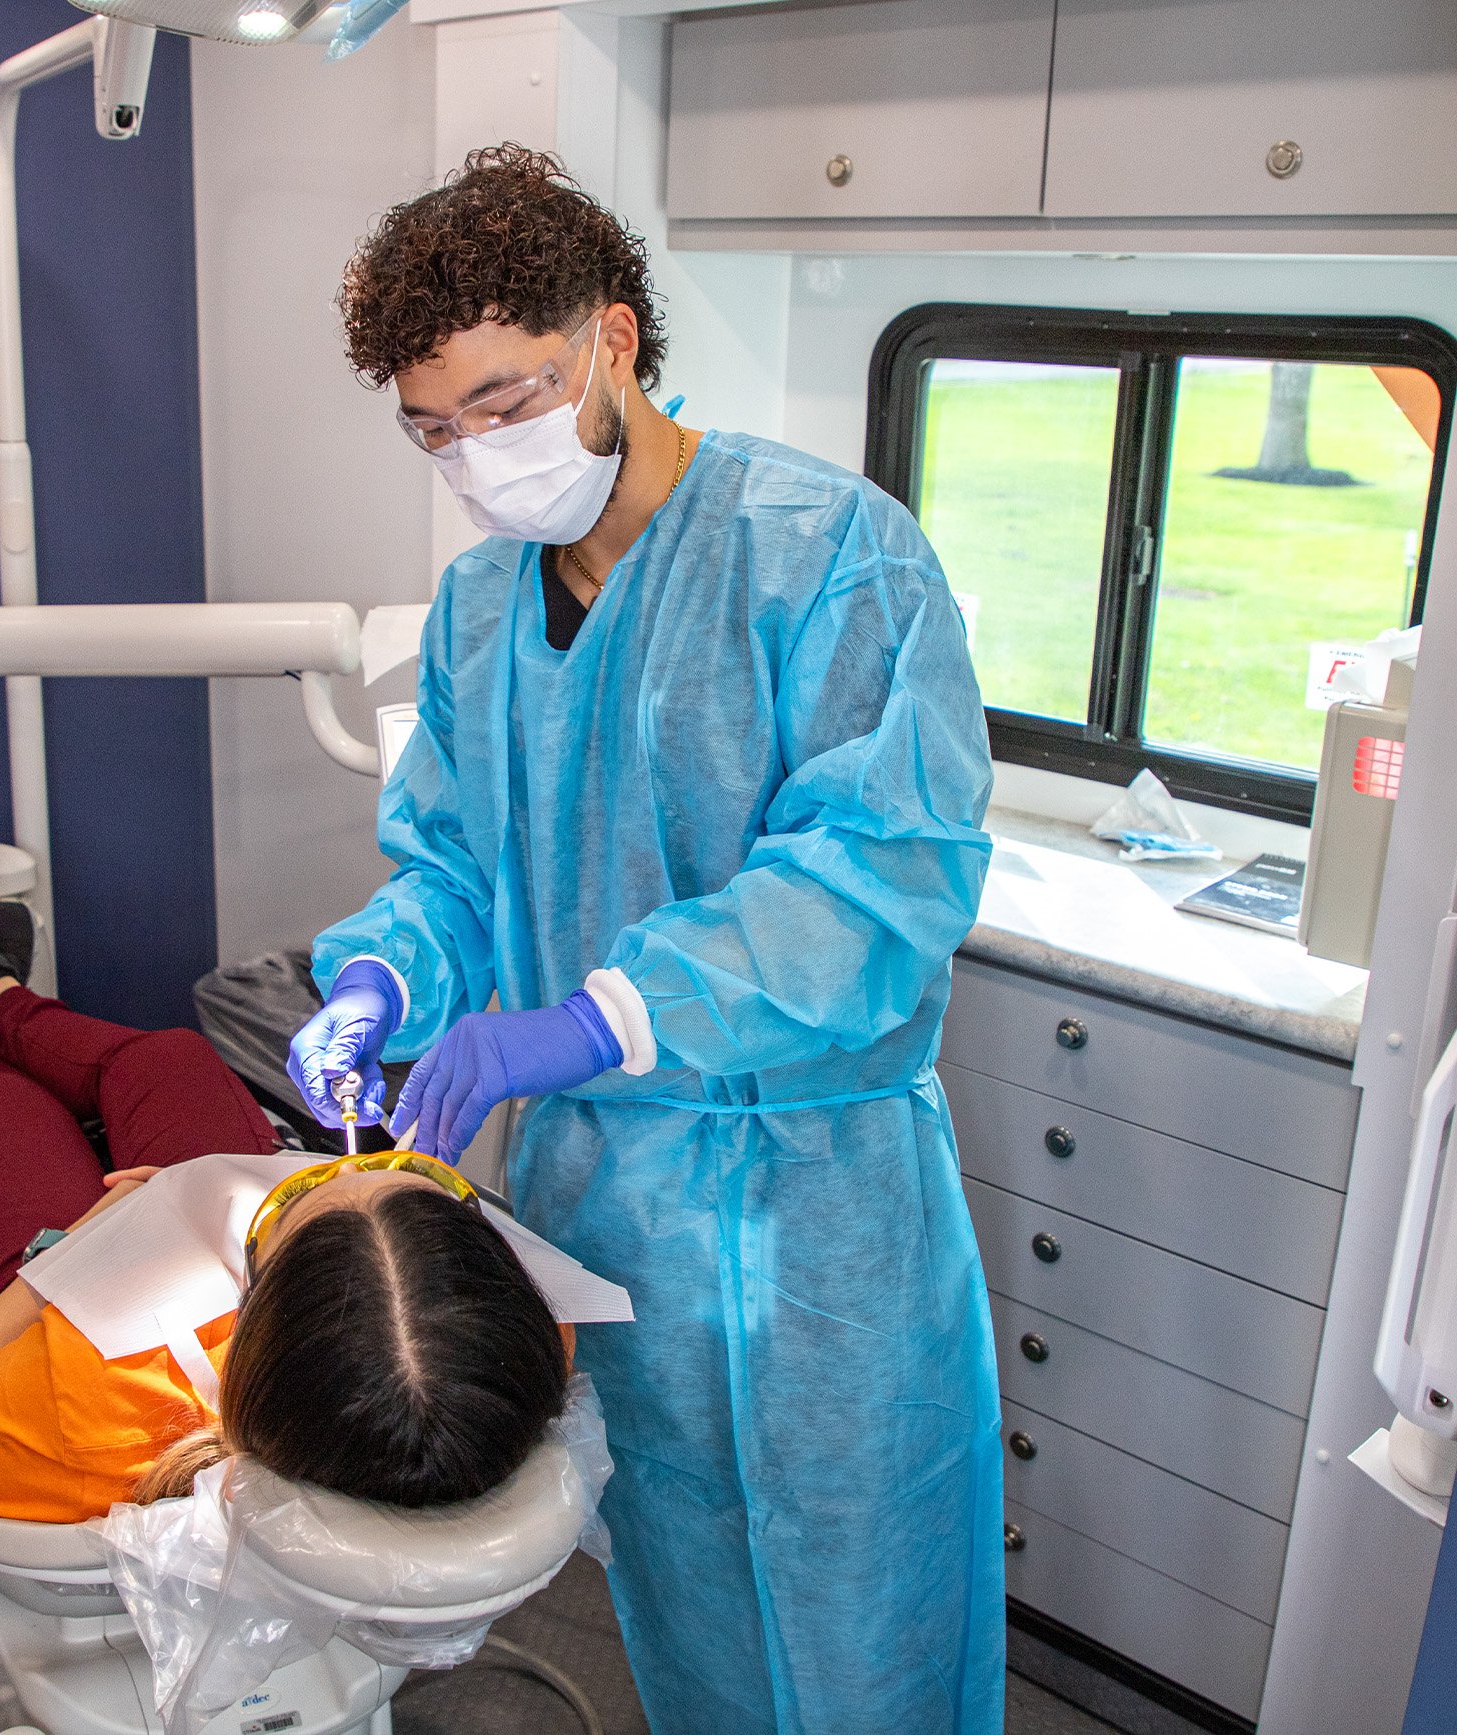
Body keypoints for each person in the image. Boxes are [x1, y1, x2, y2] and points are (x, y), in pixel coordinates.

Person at [286, 145, 1003, 1734]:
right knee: (684, 1603)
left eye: (505, 399)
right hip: (605, 1216)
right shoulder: (483, 611)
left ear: (612, 339)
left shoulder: (830, 556)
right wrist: (385, 972)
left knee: (856, 1630)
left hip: (817, 1233)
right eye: (434, 427)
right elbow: (457, 861)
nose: (475, 455)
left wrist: (587, 1021)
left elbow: (876, 886)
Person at [0, 864, 569, 1523]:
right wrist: (379, 980)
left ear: (258, 1310)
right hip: (196, 1239)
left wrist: (91, 1238)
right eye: (399, 1175)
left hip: (61, 1282)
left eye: (297, 1193)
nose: (346, 1166)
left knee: (12, 1102)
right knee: (170, 1058)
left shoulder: (98, 1399)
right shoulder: (502, 1333)